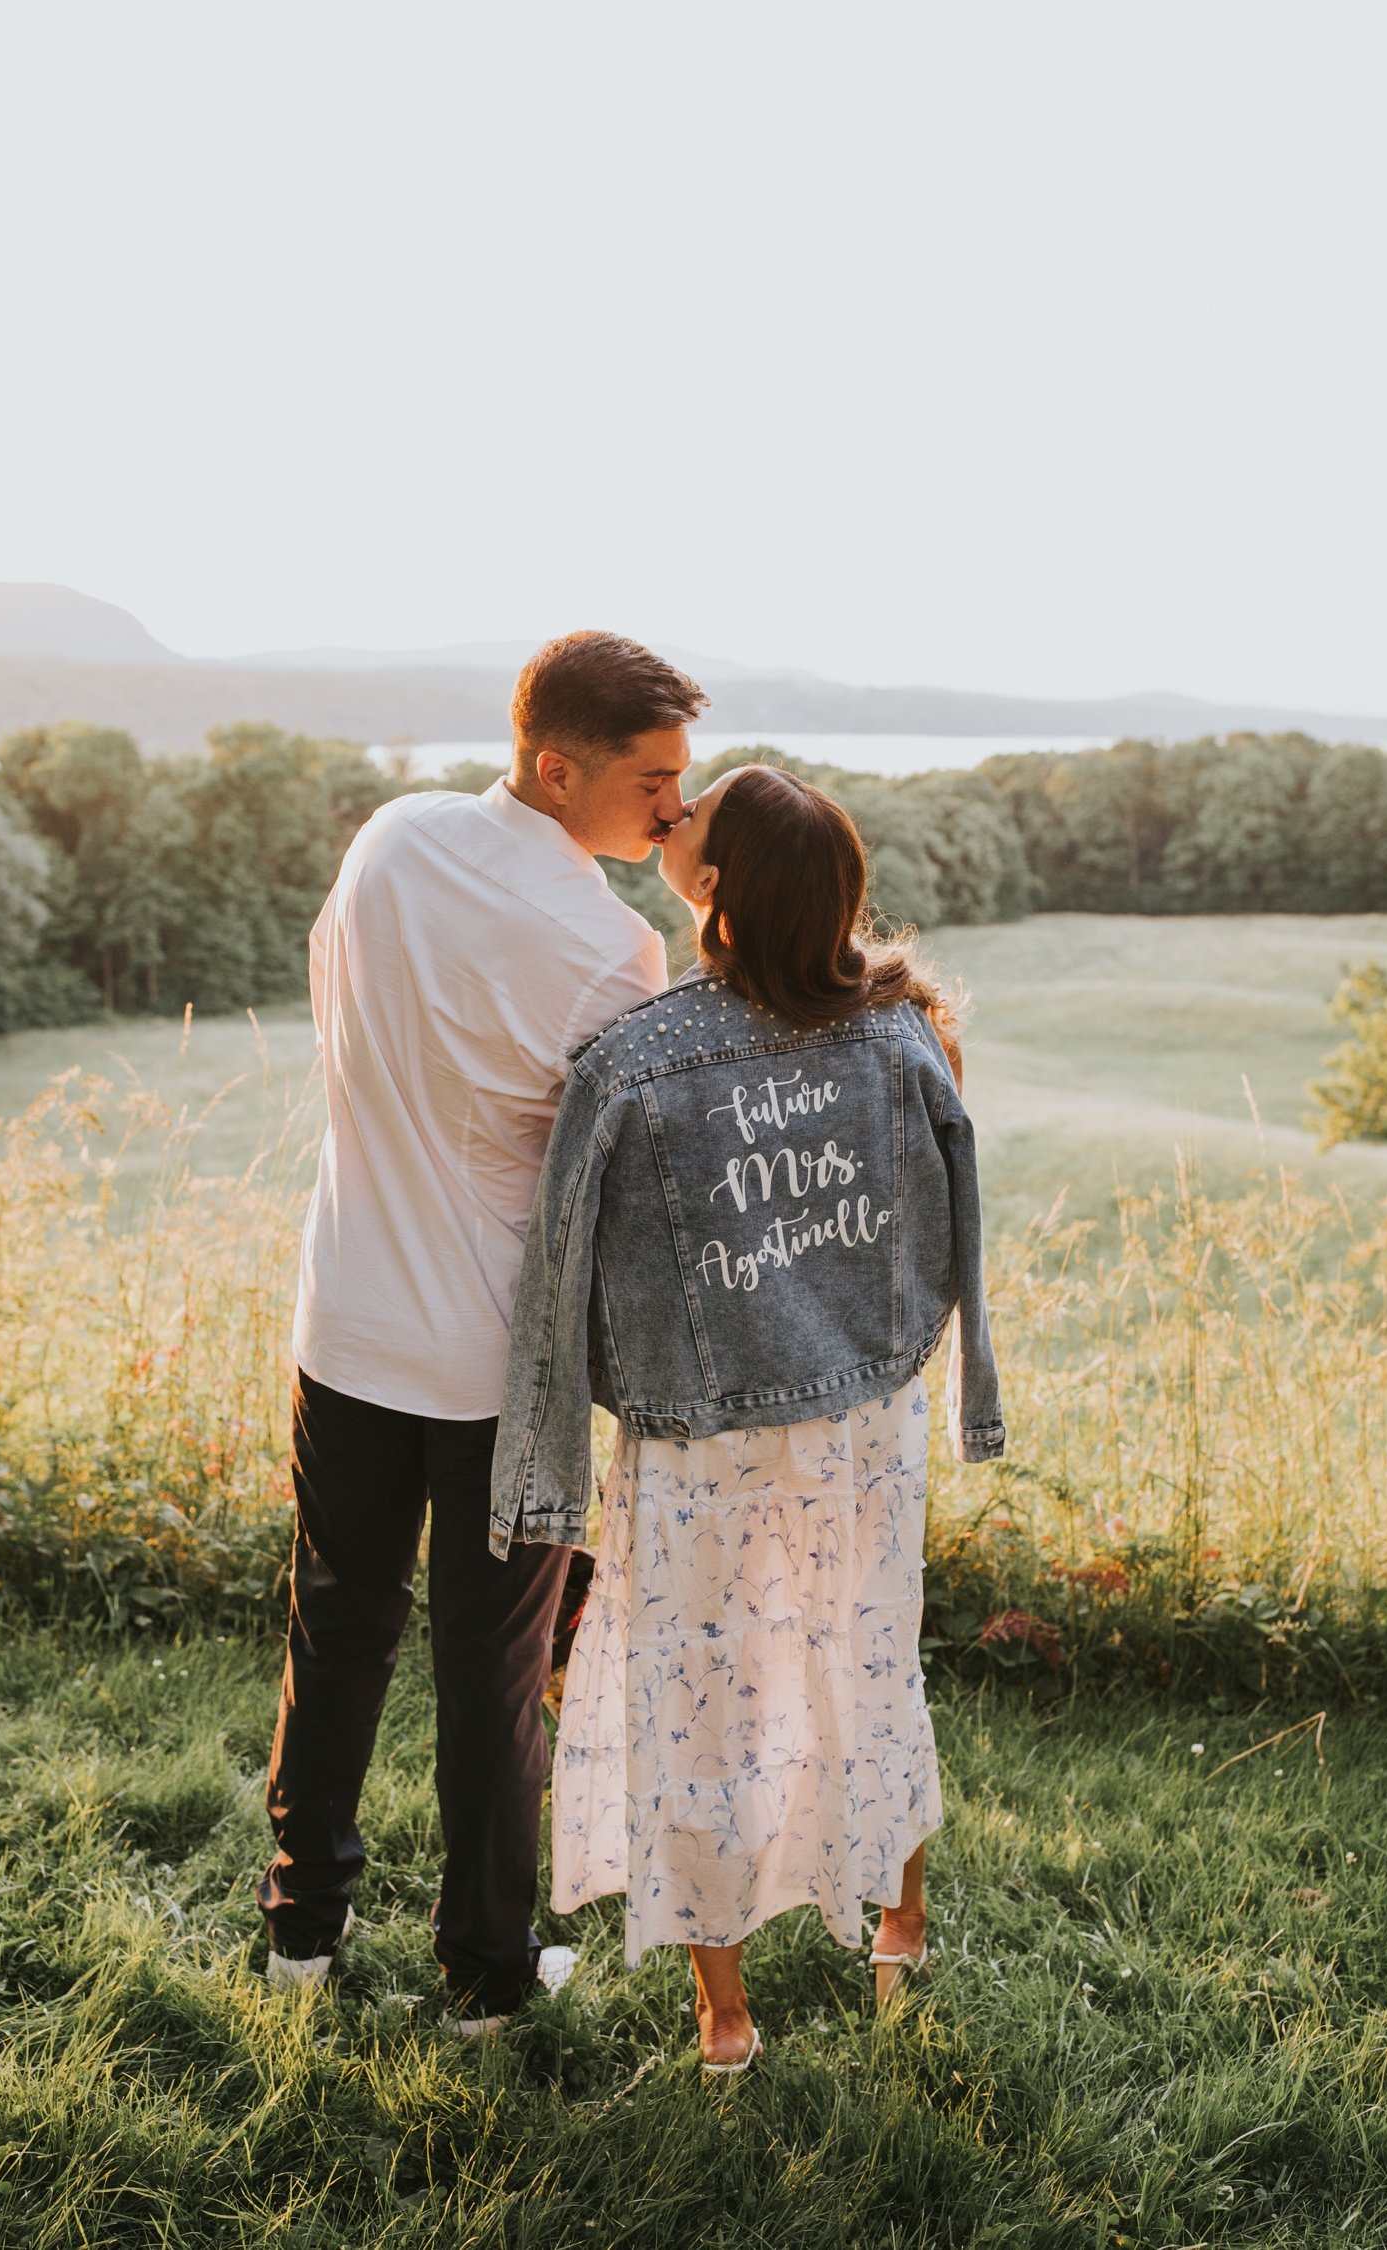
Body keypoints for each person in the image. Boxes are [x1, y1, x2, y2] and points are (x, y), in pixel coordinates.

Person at [491, 762, 1005, 2069]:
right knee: (870, 1665)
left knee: (698, 1706)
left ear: (711, 886)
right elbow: (952, 1236)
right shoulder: (900, 1034)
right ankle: (902, 1928)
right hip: (862, 1430)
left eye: (691, 818)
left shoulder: (628, 1062)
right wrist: (930, 1370)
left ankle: (727, 2018)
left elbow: (566, 1270)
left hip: (698, 1442)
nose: (670, 818)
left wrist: (582, 1430)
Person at [257, 631, 707, 2032]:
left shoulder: (388, 842)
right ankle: (485, 1978)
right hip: (502, 1368)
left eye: (684, 782)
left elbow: (343, 1023)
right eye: (654, 779)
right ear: (553, 763)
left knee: (335, 1628)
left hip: (349, 1317)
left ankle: (302, 1936)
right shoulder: (613, 948)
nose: (674, 811)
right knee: (494, 1674)